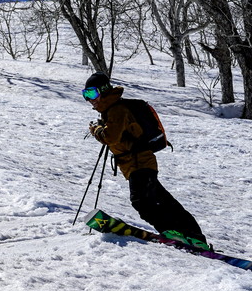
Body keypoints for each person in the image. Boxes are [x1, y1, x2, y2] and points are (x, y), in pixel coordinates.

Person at [83, 72, 207, 244]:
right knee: (162, 200)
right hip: (139, 162)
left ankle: (172, 232)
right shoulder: (112, 110)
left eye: (92, 93)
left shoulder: (117, 110)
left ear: (103, 91)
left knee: (142, 202)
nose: (90, 99)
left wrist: (97, 130)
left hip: (139, 163)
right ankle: (194, 236)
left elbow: (110, 137)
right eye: (86, 95)